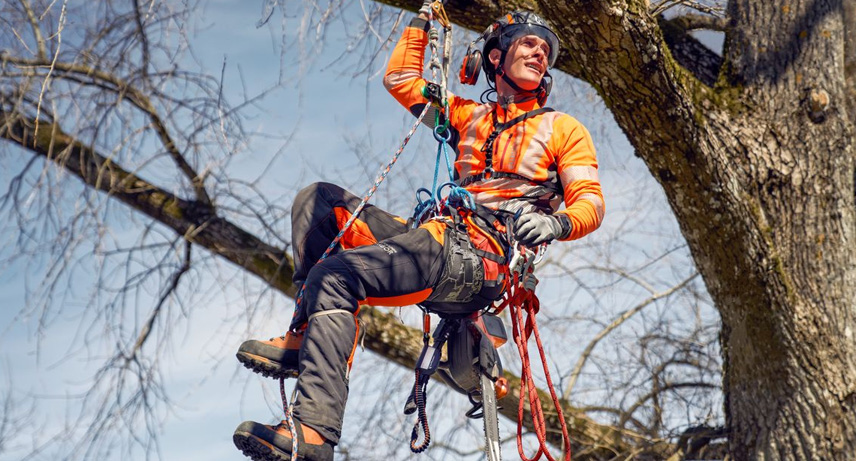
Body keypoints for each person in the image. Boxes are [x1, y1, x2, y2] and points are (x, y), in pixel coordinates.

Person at [232, 4, 604, 461]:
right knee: (320, 202)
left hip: (480, 258)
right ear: (496, 56)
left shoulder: (563, 128)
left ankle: (313, 433)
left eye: (546, 51)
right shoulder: (468, 116)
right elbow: (401, 80)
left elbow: (591, 201)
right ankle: (307, 331)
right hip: (439, 238)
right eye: (529, 43)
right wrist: (422, 21)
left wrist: (557, 221)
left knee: (336, 276)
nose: (540, 54)